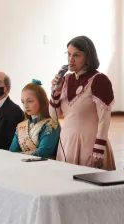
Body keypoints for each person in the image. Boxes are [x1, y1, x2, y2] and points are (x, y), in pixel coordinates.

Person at [49, 35, 115, 170]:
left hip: (89, 144)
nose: (70, 60)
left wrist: (99, 149)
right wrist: (55, 92)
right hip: (66, 142)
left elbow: (104, 119)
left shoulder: (99, 80)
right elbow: (54, 116)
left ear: (88, 57)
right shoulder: (66, 79)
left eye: (76, 55)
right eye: (68, 54)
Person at [10, 79, 60, 158]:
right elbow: (12, 151)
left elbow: (43, 153)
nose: (25, 106)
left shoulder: (51, 125)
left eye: (29, 101)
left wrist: (18, 155)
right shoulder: (21, 126)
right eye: (23, 102)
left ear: (41, 101)